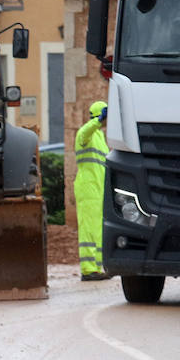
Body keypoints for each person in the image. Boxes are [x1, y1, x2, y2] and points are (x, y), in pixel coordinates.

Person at [74, 100, 110, 281]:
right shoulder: (86, 132)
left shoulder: (101, 137)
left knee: (97, 228)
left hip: (98, 188)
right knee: (88, 228)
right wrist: (97, 121)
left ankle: (97, 267)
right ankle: (88, 269)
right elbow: (83, 133)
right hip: (88, 187)